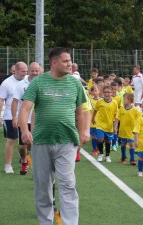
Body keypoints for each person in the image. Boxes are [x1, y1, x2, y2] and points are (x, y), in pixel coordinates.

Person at [18, 47, 87, 225]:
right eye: (65, 61)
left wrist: (81, 134)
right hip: (41, 141)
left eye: (70, 61)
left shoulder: (75, 84)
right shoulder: (38, 83)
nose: (69, 64)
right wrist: (25, 131)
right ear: (54, 63)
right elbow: (25, 108)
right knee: (43, 187)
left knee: (68, 184)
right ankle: (45, 222)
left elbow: (81, 113)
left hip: (67, 141)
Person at [0, 61, 28, 173]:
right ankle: (8, 165)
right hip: (10, 115)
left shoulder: (28, 81)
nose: (25, 73)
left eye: (26, 71)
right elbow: (0, 100)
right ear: (16, 70)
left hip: (25, 116)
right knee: (11, 140)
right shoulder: (7, 83)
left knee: (26, 140)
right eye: (23, 71)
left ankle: (24, 159)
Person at [11, 62, 40, 175]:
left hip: (38, 120)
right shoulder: (21, 84)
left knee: (35, 144)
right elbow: (15, 102)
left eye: (37, 71)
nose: (35, 73)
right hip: (24, 120)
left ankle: (36, 168)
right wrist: (14, 117)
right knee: (23, 146)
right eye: (33, 70)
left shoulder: (42, 83)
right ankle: (24, 161)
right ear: (29, 70)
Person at [91, 85, 118, 162]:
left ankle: (107, 155)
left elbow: (116, 115)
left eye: (109, 92)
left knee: (108, 141)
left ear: (112, 93)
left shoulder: (114, 103)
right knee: (100, 139)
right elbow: (95, 110)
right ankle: (101, 154)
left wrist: (115, 126)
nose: (107, 94)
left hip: (109, 125)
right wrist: (93, 119)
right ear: (103, 93)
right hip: (100, 124)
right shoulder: (100, 101)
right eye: (105, 92)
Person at [114, 93, 141, 165]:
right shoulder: (121, 109)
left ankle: (132, 159)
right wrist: (115, 127)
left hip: (131, 131)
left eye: (125, 99)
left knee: (131, 144)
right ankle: (123, 157)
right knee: (123, 144)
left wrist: (139, 128)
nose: (123, 100)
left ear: (129, 100)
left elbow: (139, 119)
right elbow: (117, 118)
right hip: (123, 131)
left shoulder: (135, 110)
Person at [89, 84, 101, 156]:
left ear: (99, 91)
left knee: (100, 137)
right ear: (92, 92)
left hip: (100, 122)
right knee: (94, 136)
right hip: (92, 121)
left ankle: (99, 148)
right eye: (94, 91)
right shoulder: (90, 101)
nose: (95, 92)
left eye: (96, 90)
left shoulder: (102, 100)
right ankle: (94, 149)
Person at [110, 81, 121, 151]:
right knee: (108, 130)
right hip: (108, 116)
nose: (114, 91)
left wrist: (118, 115)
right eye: (112, 89)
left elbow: (119, 107)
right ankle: (107, 143)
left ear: (117, 89)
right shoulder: (108, 96)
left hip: (115, 117)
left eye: (115, 89)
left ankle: (114, 144)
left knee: (115, 130)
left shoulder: (118, 97)